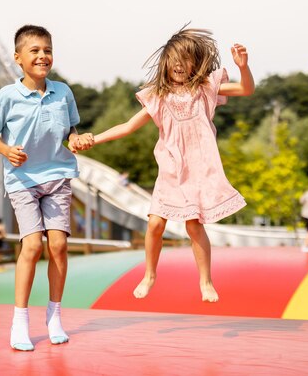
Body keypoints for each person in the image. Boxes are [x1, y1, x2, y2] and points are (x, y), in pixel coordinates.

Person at [73, 25, 255, 302]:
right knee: (155, 224)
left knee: (194, 224)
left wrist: (243, 67)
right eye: (173, 62)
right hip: (171, 170)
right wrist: (94, 139)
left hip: (199, 170)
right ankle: (149, 274)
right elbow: (128, 126)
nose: (179, 67)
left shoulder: (205, 89)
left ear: (195, 62)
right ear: (165, 65)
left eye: (185, 61)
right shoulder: (158, 97)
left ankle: (205, 281)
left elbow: (246, 89)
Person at [0, 25, 93, 351]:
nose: (42, 56)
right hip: (22, 181)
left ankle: (55, 315)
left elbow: (71, 130)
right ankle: (20, 320)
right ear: (18, 58)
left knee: (58, 246)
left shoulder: (63, 92)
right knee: (31, 246)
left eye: (47, 50)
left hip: (58, 175)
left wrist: (75, 139)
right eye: (35, 50)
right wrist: (6, 150)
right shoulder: (6, 97)